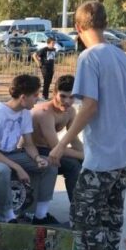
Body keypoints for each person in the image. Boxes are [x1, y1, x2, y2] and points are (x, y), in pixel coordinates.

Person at [49, 0, 126, 250]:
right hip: (124, 152)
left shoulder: (89, 58)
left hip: (102, 156)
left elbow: (90, 105)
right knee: (111, 213)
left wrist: (61, 145)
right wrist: (125, 124)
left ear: (79, 28)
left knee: (83, 212)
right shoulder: (120, 56)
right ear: (104, 24)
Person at [0, 74, 59, 224]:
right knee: (3, 170)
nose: (38, 99)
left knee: (50, 166)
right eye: (35, 95)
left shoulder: (25, 113)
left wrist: (37, 158)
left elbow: (28, 144)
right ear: (23, 97)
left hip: (12, 154)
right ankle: (9, 215)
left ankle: (40, 215)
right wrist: (17, 167)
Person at [30, 74, 84, 202]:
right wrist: (83, 155)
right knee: (73, 165)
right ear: (54, 93)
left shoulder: (70, 111)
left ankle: (85, 205)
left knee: (86, 163)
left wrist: (84, 154)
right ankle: (77, 209)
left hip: (49, 150)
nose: (67, 101)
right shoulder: (44, 113)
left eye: (72, 97)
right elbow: (55, 147)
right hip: (33, 151)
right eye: (63, 96)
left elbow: (73, 138)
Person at [32, 35, 57, 100]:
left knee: (49, 82)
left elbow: (53, 59)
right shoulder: (44, 49)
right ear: (48, 43)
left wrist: (54, 67)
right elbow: (34, 55)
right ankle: (44, 96)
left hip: (51, 67)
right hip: (44, 67)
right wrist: (38, 62)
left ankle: (46, 95)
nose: (53, 44)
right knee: (46, 81)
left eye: (54, 43)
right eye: (52, 43)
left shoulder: (54, 50)